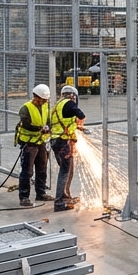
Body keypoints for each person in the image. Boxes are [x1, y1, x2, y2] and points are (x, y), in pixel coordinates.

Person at [50, 84, 88, 212]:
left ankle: (65, 195)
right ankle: (59, 202)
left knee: (66, 169)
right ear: (72, 95)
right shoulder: (69, 104)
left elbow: (61, 122)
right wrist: (80, 123)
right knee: (65, 171)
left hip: (56, 141)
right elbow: (81, 115)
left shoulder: (56, 106)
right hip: (63, 143)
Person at [16, 83, 54, 207]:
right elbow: (26, 124)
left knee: (42, 169)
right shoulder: (25, 108)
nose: (42, 102)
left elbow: (48, 120)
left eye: (44, 100)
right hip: (29, 143)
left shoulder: (45, 106)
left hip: (41, 142)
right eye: (41, 99)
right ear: (35, 96)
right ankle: (24, 197)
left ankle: (41, 193)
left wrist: (48, 127)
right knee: (27, 171)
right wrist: (40, 128)